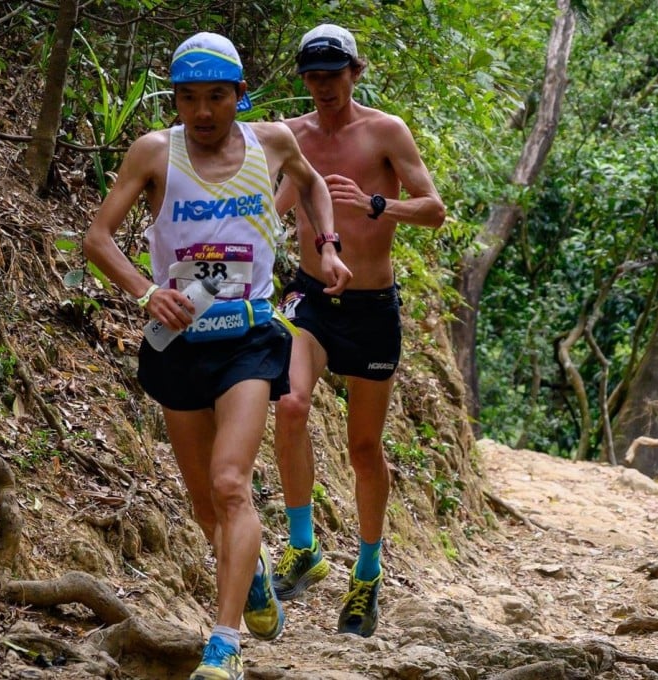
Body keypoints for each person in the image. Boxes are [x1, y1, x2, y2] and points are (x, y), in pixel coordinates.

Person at [83, 32, 351, 680]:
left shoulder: (274, 143)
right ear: (173, 99)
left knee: (231, 483)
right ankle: (250, 576)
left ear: (240, 95)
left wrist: (330, 244)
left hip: (249, 341)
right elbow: (96, 237)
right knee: (206, 505)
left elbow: (314, 187)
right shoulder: (154, 152)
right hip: (179, 342)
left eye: (217, 98)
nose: (202, 113)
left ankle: (224, 646)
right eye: (188, 99)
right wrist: (147, 292)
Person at [272, 23, 445, 638]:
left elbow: (434, 210)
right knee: (289, 403)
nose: (322, 86)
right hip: (310, 296)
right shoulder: (290, 135)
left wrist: (379, 204)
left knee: (364, 450)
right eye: (312, 75)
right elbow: (263, 204)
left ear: (354, 72)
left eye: (332, 73)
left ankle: (366, 577)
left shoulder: (385, 132)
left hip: (372, 306)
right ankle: (303, 548)